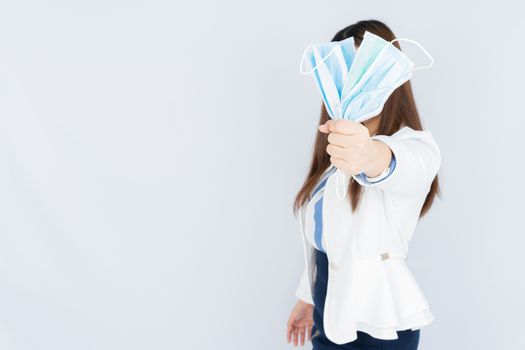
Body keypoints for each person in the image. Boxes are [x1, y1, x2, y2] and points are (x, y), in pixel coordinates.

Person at [286, 20, 441, 350]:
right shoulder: (332, 159)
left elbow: (398, 164)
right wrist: (308, 296)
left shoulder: (414, 146)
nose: (352, 86)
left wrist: (368, 154)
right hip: (329, 310)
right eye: (341, 74)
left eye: (364, 73)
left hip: (379, 323)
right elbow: (328, 241)